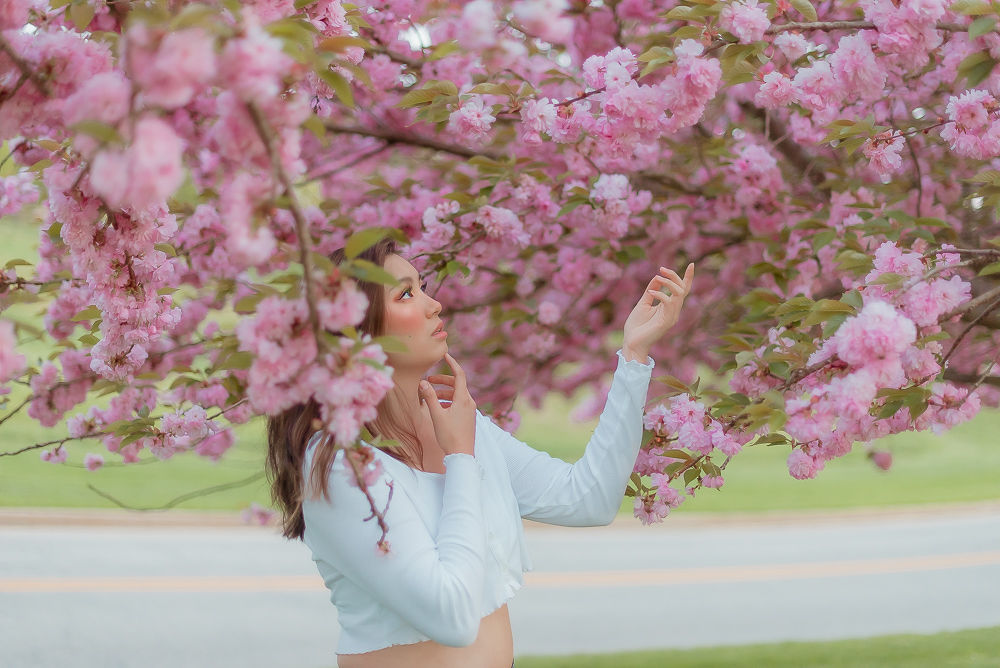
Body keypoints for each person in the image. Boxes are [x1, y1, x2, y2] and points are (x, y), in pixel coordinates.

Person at [265, 239, 694, 668]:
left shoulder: (458, 424)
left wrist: (634, 355)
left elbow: (589, 499)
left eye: (423, 286)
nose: (434, 304)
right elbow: (451, 616)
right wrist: (461, 459)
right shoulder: (342, 465)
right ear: (356, 334)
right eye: (406, 294)